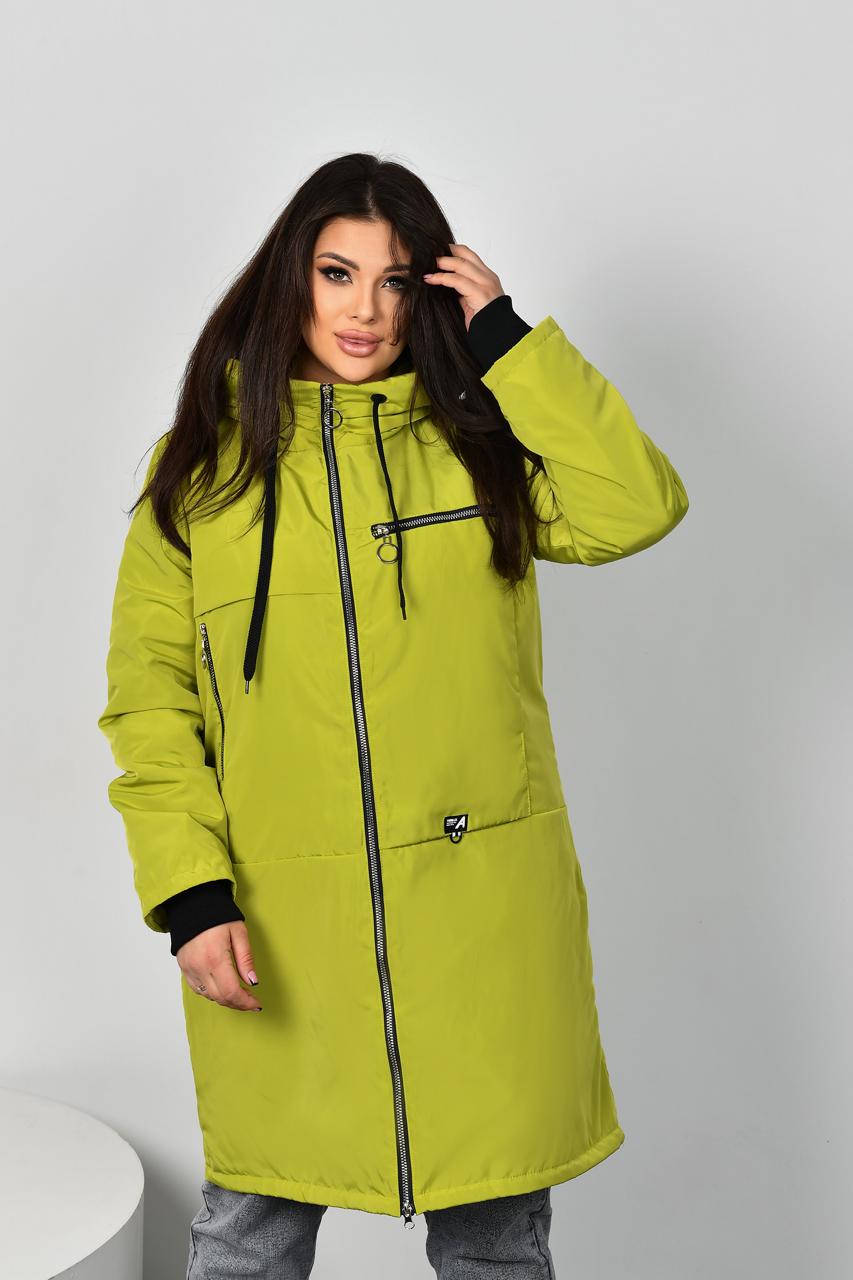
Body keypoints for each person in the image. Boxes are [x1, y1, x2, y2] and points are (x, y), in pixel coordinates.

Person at [97, 152, 689, 1278]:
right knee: (249, 1238)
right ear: (291, 279)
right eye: (337, 273)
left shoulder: (480, 449)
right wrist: (191, 894)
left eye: (397, 280)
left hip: (482, 928)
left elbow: (636, 503)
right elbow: (150, 700)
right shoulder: (202, 475)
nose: (364, 309)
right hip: (281, 923)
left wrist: (508, 341)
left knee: (495, 1243)